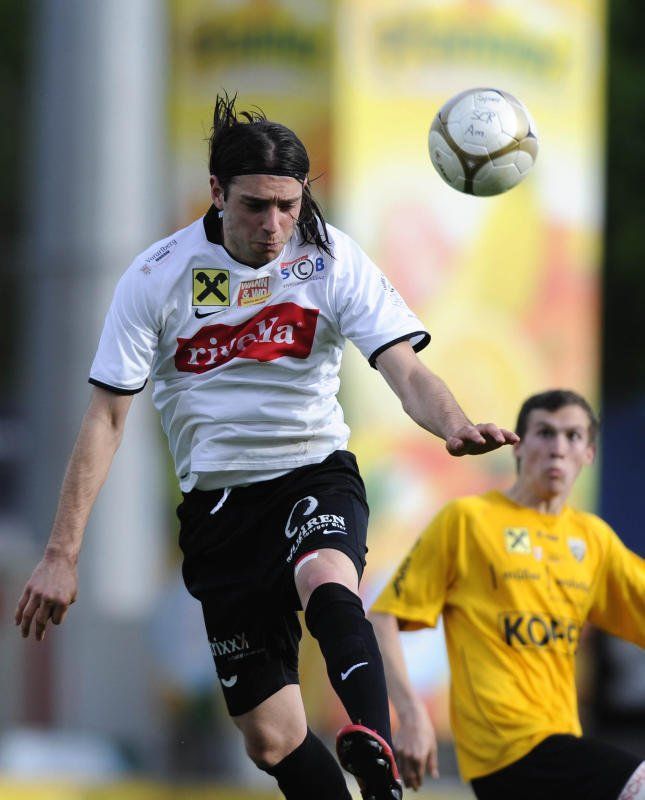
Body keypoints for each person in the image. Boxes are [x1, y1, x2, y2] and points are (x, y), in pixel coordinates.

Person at [14, 94, 518, 800]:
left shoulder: (332, 257)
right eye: (255, 206)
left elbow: (404, 368)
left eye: (288, 205)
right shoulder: (156, 276)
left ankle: (375, 755)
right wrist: (61, 554)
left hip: (313, 470)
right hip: (219, 510)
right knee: (272, 739)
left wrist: (454, 423)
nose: (274, 224)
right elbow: (106, 418)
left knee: (325, 576)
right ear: (217, 192)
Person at [369, 389, 645, 800]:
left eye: (572, 436)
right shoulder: (468, 520)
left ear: (589, 453)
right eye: (545, 433)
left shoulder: (593, 539)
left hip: (560, 744)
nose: (558, 448)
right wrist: (410, 715)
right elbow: (382, 617)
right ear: (518, 445)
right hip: (502, 749)